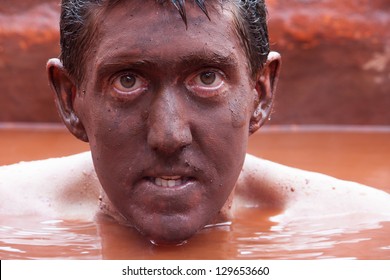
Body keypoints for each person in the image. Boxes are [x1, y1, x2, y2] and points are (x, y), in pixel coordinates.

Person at [0, 0, 389, 245]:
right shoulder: (9, 215)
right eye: (127, 80)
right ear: (71, 99)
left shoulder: (371, 229)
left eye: (207, 78)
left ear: (261, 92)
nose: (169, 136)